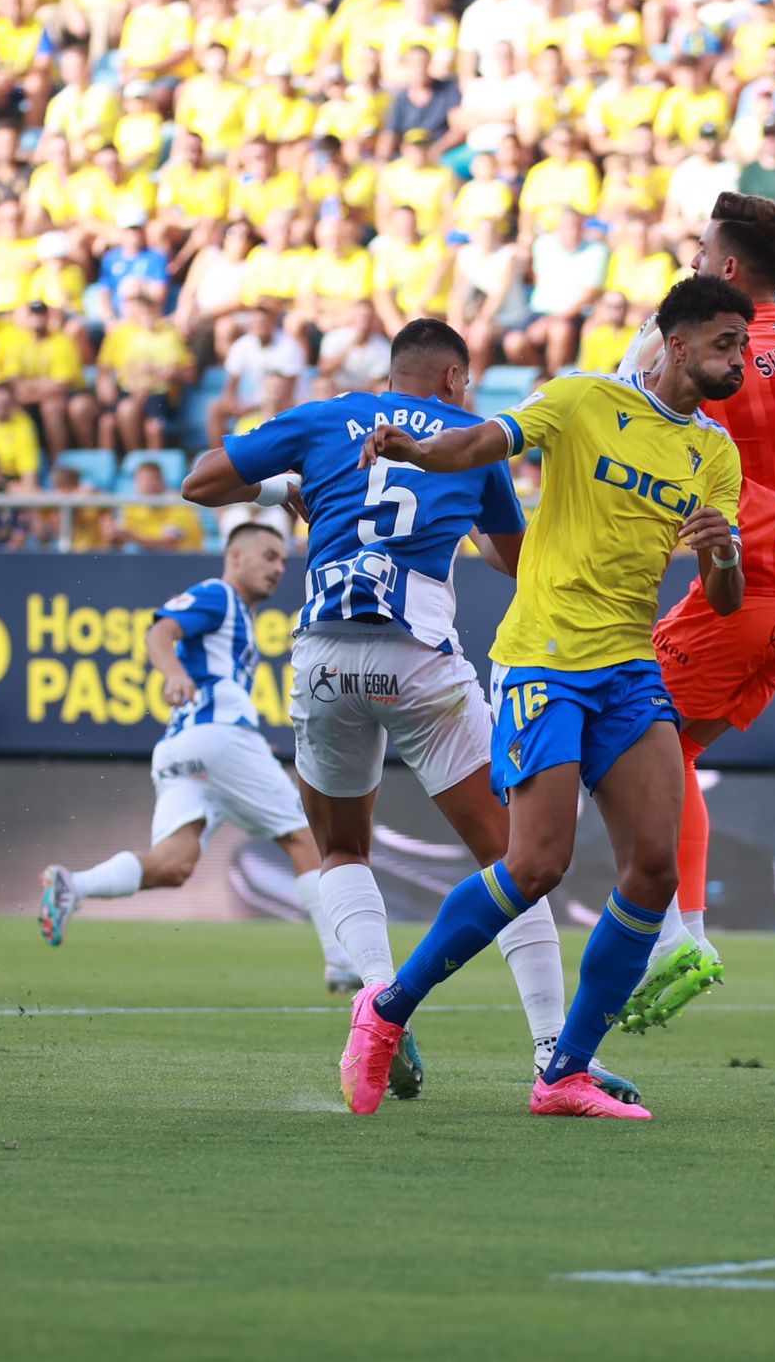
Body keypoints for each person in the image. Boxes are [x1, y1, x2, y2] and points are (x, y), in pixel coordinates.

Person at [181, 319, 633, 1103]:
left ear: (392, 372)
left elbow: (201, 481)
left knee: (340, 848)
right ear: (455, 378)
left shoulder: (326, 416)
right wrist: (463, 524)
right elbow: (517, 561)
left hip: (325, 656)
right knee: (513, 859)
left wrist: (290, 488)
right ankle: (553, 1052)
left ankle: (377, 1006)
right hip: (419, 659)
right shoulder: (469, 440)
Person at [340, 275, 751, 1121]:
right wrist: (418, 451)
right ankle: (386, 1011)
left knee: (654, 870)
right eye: (724, 343)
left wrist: (725, 554)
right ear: (676, 345)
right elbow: (483, 442)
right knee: (536, 865)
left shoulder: (716, 452)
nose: (738, 359)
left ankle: (565, 1072)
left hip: (629, 668)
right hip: (544, 661)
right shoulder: (582, 399)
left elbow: (724, 600)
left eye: (742, 345)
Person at [606, 193, 775, 1028]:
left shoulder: (721, 349)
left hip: (746, 584)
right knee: (670, 748)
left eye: (703, 252)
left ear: (730, 267)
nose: (693, 262)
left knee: (626, 734)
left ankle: (672, 934)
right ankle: (683, 932)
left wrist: (646, 340)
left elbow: (629, 408)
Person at [38, 522, 361, 994]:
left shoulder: (240, 617)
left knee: (173, 865)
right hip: (218, 739)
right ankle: (342, 963)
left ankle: (73, 885)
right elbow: (160, 632)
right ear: (235, 557)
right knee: (305, 836)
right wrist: (173, 674)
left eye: (282, 560)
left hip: (186, 748)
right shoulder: (219, 595)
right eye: (268, 556)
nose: (278, 568)